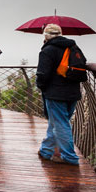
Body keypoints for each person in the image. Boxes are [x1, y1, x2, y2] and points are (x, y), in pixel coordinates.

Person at [36, 24, 83, 165]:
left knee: (61, 124)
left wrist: (42, 87)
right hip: (73, 92)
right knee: (56, 122)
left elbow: (43, 74)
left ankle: (69, 157)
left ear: (46, 36)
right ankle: (46, 150)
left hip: (55, 94)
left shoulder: (48, 50)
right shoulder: (73, 47)